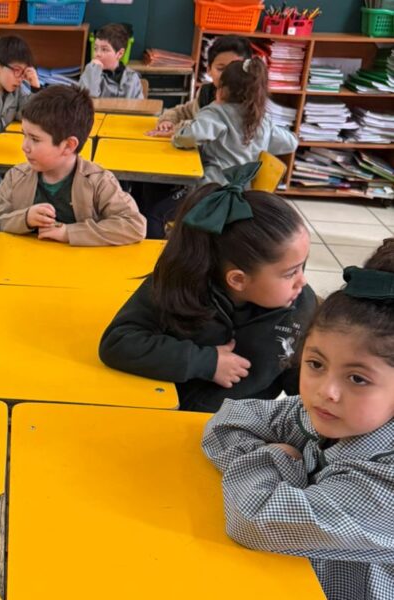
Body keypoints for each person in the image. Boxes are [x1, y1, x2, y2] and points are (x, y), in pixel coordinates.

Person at [203, 239, 394, 600]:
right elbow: (229, 420)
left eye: (357, 378)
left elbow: (256, 520)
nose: (326, 391)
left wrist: (275, 458)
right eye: (316, 364)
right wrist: (273, 476)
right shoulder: (321, 415)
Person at [99, 163, 316, 412]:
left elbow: (300, 376)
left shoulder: (301, 305)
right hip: (171, 415)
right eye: (290, 273)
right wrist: (206, 362)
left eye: (302, 266)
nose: (302, 281)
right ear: (238, 279)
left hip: (248, 424)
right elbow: (118, 342)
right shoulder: (178, 284)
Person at [0, 85, 145, 246]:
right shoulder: (15, 177)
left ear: (69, 145)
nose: (24, 146)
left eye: (35, 139)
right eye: (24, 135)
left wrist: (69, 233)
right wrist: (25, 219)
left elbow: (135, 225)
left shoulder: (99, 181)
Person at [172, 57, 298, 186]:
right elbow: (291, 143)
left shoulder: (217, 113)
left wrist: (178, 133)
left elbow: (188, 137)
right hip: (245, 190)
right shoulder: (261, 119)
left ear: (222, 89)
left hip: (213, 188)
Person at [150, 35, 252, 136]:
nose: (227, 75)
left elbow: (206, 129)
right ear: (209, 70)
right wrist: (168, 121)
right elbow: (184, 112)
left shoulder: (250, 100)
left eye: (234, 69)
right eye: (221, 69)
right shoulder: (206, 93)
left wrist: (178, 129)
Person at [79, 23, 143, 99]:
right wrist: (94, 71)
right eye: (95, 48)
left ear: (120, 54)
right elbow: (87, 100)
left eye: (104, 49)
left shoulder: (132, 78)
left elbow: (140, 104)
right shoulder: (90, 72)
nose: (97, 54)